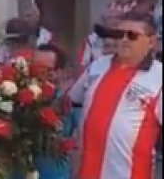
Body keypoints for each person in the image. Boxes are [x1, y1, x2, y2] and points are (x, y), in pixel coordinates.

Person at [66, 11, 162, 179]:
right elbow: (70, 100)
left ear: (151, 42)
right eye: (119, 34)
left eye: (132, 35)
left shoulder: (159, 77)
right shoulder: (97, 66)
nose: (124, 40)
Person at [29, 43, 76, 179]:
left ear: (59, 72)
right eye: (34, 67)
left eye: (45, 69)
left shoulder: (67, 104)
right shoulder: (14, 98)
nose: (37, 73)